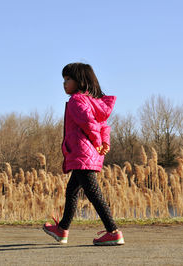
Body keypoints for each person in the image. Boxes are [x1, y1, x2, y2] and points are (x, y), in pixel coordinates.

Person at [43, 62, 125, 246]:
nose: (64, 83)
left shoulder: (76, 100)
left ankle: (113, 231)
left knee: (93, 192)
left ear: (80, 81)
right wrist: (104, 142)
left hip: (82, 152)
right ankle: (62, 229)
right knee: (72, 190)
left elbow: (88, 123)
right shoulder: (93, 102)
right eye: (63, 79)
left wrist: (97, 142)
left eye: (68, 79)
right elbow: (103, 125)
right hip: (89, 153)